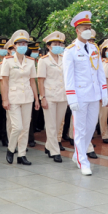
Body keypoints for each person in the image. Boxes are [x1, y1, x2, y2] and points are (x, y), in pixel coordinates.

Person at [63, 13, 107, 175]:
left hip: (94, 95)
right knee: (80, 129)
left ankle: (77, 153)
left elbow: (100, 72)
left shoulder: (94, 48)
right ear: (77, 30)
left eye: (89, 28)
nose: (88, 31)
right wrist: (71, 97)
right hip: (80, 96)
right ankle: (83, 161)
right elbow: (68, 77)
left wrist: (104, 92)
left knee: (90, 128)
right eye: (85, 28)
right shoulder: (70, 51)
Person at [0, 30, 38, 166]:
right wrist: (4, 99)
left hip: (27, 97)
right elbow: (4, 81)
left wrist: (37, 99)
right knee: (17, 127)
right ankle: (11, 149)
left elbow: (32, 81)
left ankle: (22, 154)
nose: (23, 45)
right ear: (14, 46)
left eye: (25, 43)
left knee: (26, 127)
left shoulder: (31, 61)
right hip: (13, 97)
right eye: (20, 43)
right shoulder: (8, 61)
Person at [37, 31, 68, 162]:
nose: (58, 46)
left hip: (63, 95)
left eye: (60, 44)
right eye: (55, 44)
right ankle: (55, 151)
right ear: (49, 46)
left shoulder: (64, 59)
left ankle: (49, 146)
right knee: (51, 125)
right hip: (49, 95)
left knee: (58, 123)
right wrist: (42, 97)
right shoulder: (43, 61)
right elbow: (40, 80)